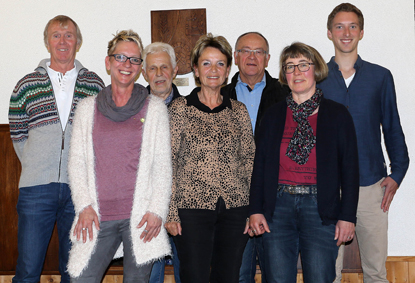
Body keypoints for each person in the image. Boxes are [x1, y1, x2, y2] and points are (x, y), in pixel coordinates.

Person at [247, 42, 359, 283]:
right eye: (290, 67)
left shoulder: (338, 115)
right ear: (284, 74)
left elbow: (350, 170)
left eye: (303, 65)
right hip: (277, 210)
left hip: (321, 209)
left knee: (320, 278)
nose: (296, 72)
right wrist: (255, 210)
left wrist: (348, 216)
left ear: (315, 69)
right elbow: (260, 168)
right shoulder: (272, 116)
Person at [66, 30, 172, 283]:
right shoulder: (87, 108)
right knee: (82, 278)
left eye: (134, 60)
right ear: (108, 62)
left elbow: (162, 166)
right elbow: (77, 162)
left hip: (140, 219)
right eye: (120, 57)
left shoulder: (154, 109)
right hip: (97, 217)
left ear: (140, 69)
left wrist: (157, 210)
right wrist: (83, 206)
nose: (126, 64)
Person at [8, 15, 104, 283]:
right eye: (56, 35)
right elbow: (17, 133)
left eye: (69, 35)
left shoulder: (95, 84)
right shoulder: (26, 85)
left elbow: (101, 134)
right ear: (47, 42)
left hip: (80, 192)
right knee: (27, 271)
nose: (63, 41)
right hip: (36, 189)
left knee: (75, 271)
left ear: (78, 42)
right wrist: (37, 163)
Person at [318, 3, 409, 283]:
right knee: (325, 272)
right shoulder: (316, 79)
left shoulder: (380, 77)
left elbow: (392, 127)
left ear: (361, 32)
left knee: (375, 272)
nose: (346, 32)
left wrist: (397, 173)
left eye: (352, 26)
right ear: (330, 33)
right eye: (339, 26)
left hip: (372, 187)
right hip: (329, 188)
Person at [165, 33, 255, 283]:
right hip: (190, 212)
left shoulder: (238, 111)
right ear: (195, 69)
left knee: (228, 277)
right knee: (195, 276)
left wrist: (252, 210)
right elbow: (168, 162)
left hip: (235, 211)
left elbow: (250, 161)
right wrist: (170, 212)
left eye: (220, 64)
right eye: (206, 63)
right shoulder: (180, 109)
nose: (213, 70)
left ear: (228, 70)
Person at [221, 31, 290, 283]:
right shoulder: (218, 95)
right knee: (238, 275)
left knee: (279, 275)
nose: (252, 56)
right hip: (233, 202)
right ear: (236, 57)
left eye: (258, 51)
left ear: (268, 58)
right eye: (245, 51)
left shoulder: (286, 95)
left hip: (276, 201)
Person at [142, 42, 181, 283]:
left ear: (175, 70)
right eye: (152, 69)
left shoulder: (190, 108)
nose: (159, 75)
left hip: (184, 207)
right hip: (146, 207)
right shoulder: (132, 109)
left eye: (164, 67)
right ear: (144, 73)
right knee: (149, 277)